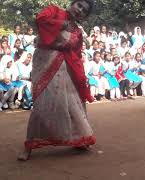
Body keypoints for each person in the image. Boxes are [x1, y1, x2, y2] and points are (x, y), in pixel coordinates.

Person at [18, 0, 96, 161]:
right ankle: (29, 145)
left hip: (67, 70)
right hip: (45, 66)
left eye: (84, 11)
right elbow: (40, 20)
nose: (79, 10)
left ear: (86, 17)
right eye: (79, 5)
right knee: (41, 106)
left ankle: (78, 139)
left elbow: (77, 55)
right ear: (73, 3)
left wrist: (80, 76)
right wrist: (62, 24)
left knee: (73, 105)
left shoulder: (79, 32)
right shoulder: (54, 11)